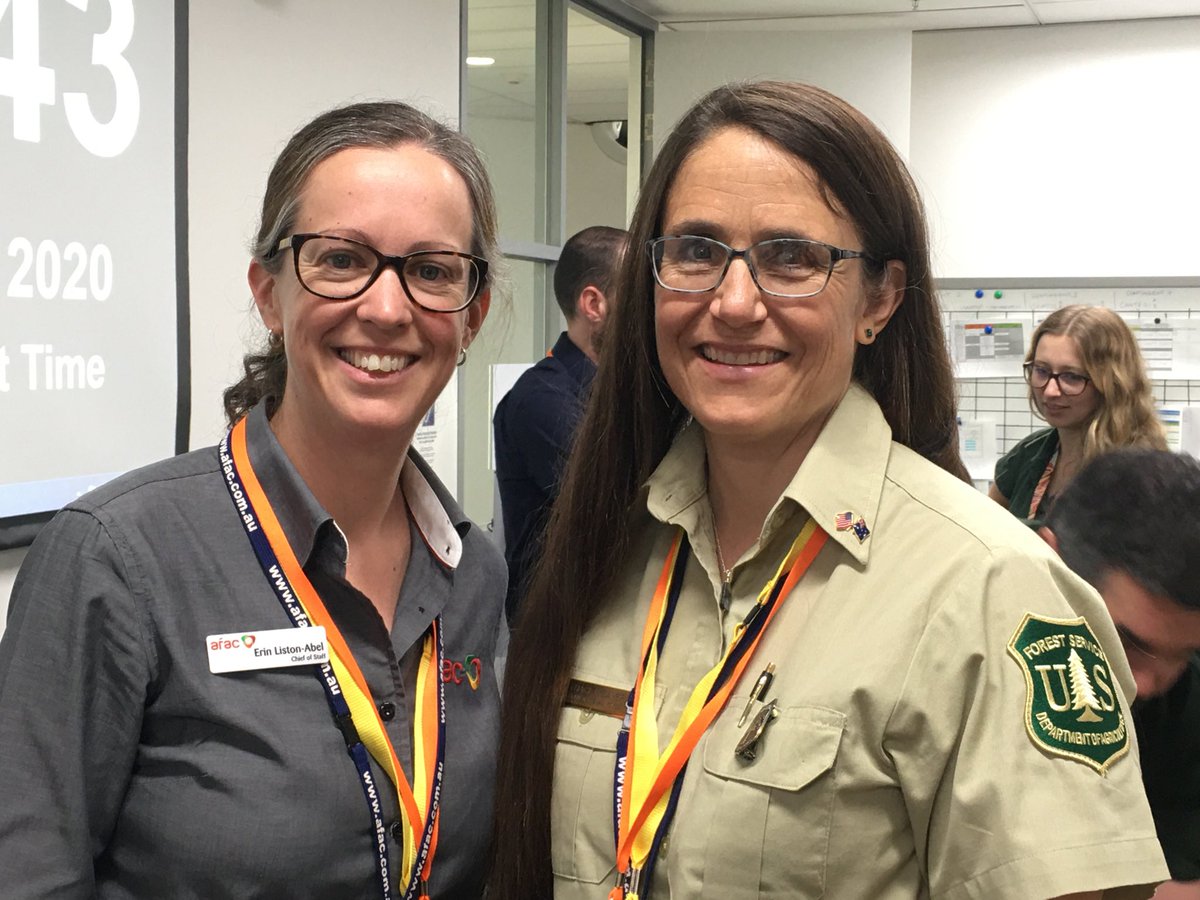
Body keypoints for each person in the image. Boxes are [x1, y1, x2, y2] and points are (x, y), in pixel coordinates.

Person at [489, 81, 1167, 900]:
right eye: (697, 250)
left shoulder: (989, 588)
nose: (733, 303)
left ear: (879, 299)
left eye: (791, 258)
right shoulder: (611, 545)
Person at [0, 101, 505, 898]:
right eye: (341, 259)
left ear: (470, 316)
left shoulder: (473, 571)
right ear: (270, 294)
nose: (386, 307)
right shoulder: (116, 559)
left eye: (432, 271)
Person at [1043, 448, 1200, 899]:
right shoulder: (958, 624)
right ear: (1048, 561)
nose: (1147, 684)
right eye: (1126, 641)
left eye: (1182, 653)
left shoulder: (1185, 694)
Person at [493, 225, 627, 626]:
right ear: (594, 304)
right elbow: (624, 508)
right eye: (639, 295)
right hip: (559, 634)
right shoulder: (541, 400)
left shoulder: (616, 393)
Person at [988, 304, 1166, 527]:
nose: (1050, 391)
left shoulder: (1143, 473)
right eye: (1041, 370)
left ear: (1112, 383)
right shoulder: (1031, 453)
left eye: (1072, 376)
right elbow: (984, 529)